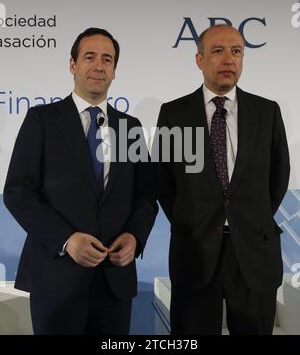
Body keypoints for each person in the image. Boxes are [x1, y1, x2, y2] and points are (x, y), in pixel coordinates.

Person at [4, 27, 157, 334]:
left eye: (107, 59)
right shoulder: (42, 120)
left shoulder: (131, 127)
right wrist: (67, 239)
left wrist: (134, 238)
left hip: (114, 283)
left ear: (114, 71)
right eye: (90, 57)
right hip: (56, 281)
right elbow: (18, 192)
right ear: (73, 65)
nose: (99, 65)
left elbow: (145, 197)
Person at [155, 24, 290, 335]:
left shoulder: (267, 112)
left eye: (237, 51)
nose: (229, 59)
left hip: (254, 254)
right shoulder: (173, 114)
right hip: (195, 253)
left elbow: (278, 177)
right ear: (199, 60)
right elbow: (163, 181)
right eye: (218, 51)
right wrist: (193, 218)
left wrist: (248, 218)